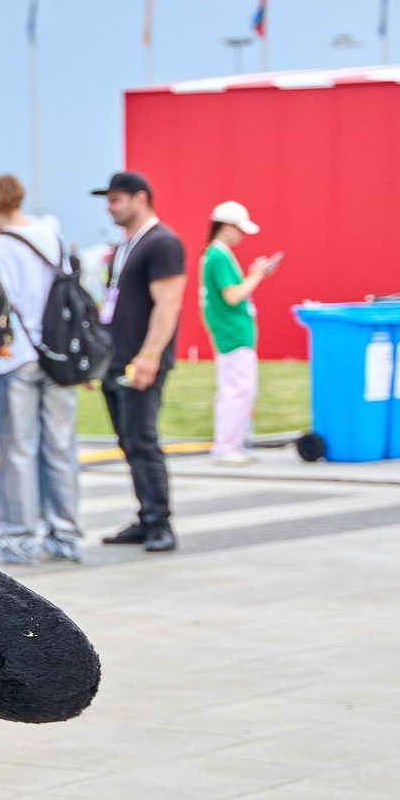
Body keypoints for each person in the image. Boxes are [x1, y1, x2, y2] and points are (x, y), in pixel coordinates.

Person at [0, 173, 82, 564]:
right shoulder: (50, 235)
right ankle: (65, 535)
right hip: (57, 355)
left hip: (16, 355)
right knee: (61, 446)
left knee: (17, 449)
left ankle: (18, 537)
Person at [95, 170, 187, 551]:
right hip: (116, 359)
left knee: (143, 439)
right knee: (128, 440)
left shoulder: (162, 243)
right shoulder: (124, 246)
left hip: (140, 360)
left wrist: (150, 355)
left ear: (140, 198)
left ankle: (160, 522)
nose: (109, 207)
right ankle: (146, 515)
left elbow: (169, 303)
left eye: (116, 199)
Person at [202, 199, 276, 465]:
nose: (242, 235)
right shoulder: (219, 255)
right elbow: (232, 295)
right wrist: (256, 276)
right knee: (238, 390)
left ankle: (231, 443)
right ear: (226, 226)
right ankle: (227, 446)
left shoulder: (215, 254)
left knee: (235, 389)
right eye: (240, 229)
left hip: (233, 333)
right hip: (233, 334)